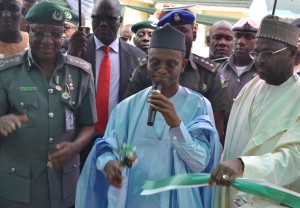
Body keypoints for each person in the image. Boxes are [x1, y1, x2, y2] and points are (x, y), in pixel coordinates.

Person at [76, 23, 222, 208]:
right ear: (147, 62)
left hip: (179, 200)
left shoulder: (199, 105)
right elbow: (108, 147)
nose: (162, 69)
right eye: (155, 63)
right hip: (134, 199)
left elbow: (200, 163)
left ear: (183, 65)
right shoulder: (127, 107)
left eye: (171, 64)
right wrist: (109, 164)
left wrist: (176, 124)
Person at [0, 2, 97, 207]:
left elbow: (89, 123)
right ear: (28, 29)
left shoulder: (81, 73)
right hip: (17, 189)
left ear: (64, 33)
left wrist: (75, 146)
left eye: (55, 34)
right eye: (40, 32)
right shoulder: (6, 73)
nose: (48, 40)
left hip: (64, 186)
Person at [209, 15, 300, 208]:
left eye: (267, 53)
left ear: (292, 53)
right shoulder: (252, 86)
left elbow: (295, 158)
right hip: (231, 194)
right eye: (256, 53)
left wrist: (244, 166)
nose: (259, 60)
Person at [123, 9, 228, 145]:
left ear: (194, 33)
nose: (176, 36)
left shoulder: (209, 73)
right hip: (148, 147)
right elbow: (128, 115)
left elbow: (217, 129)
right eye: (171, 31)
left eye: (182, 30)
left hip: (192, 150)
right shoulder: (145, 70)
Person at [68, 0, 146, 167]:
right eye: (97, 18)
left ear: (120, 20)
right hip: (80, 137)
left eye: (110, 18)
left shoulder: (138, 57)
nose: (103, 23)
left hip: (119, 139)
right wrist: (71, 54)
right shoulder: (74, 47)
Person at [217, 17, 260, 133]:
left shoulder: (263, 74)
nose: (241, 41)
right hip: (218, 134)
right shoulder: (217, 68)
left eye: (249, 37)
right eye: (237, 36)